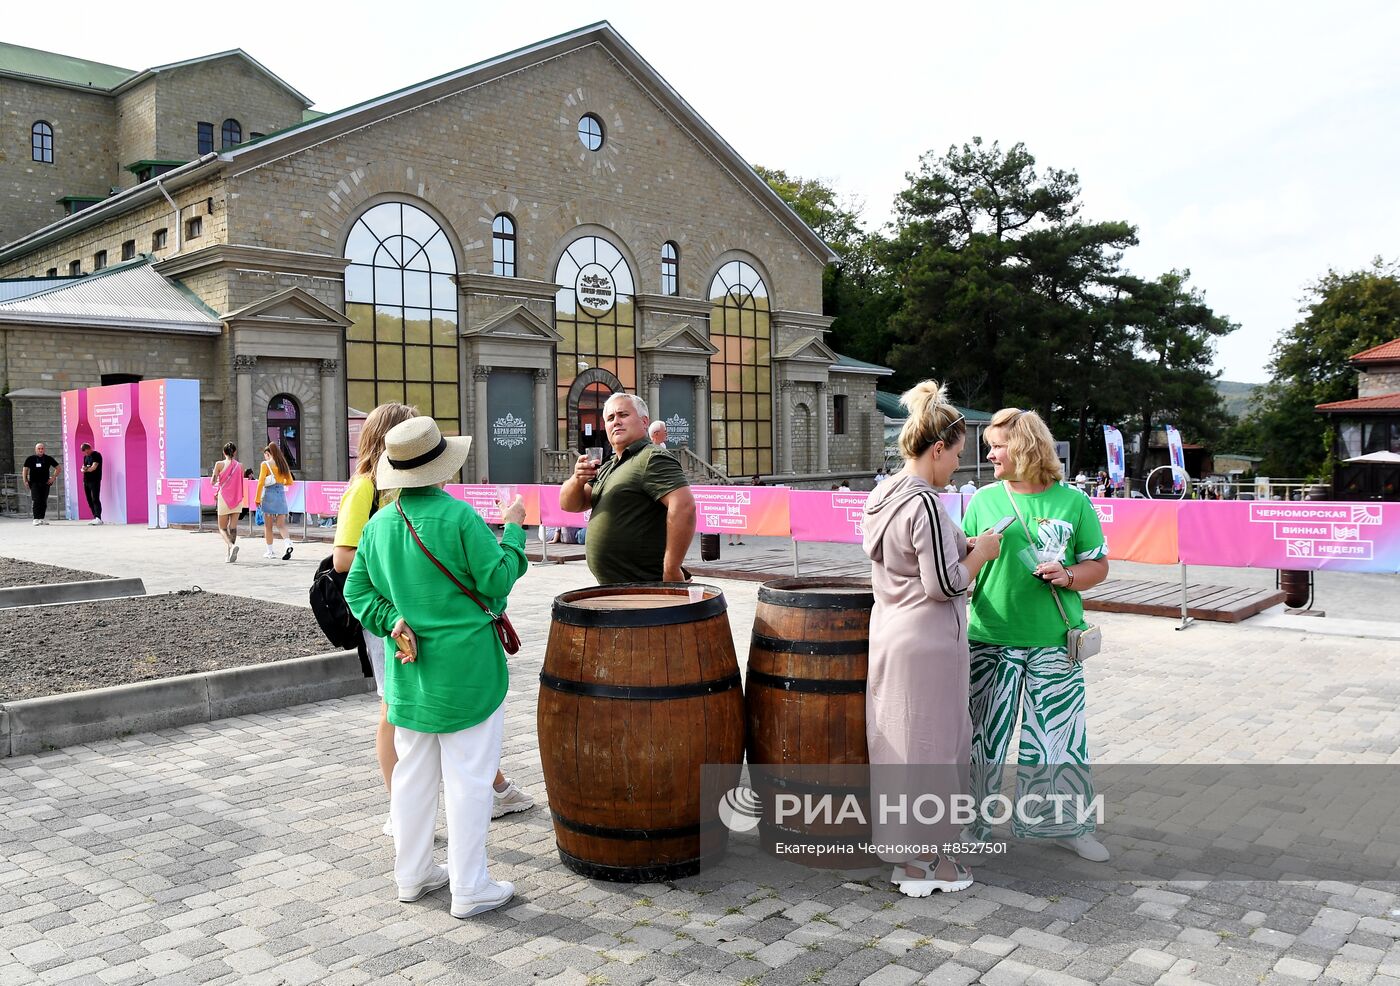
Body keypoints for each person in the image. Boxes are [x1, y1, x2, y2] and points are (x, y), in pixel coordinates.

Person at [344, 416, 528, 919]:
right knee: (469, 777)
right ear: (442, 466)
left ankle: (413, 875)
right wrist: (514, 529)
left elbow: (355, 590)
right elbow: (495, 581)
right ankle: (470, 887)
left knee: (412, 776)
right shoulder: (460, 517)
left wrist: (392, 619)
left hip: (409, 671)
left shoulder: (379, 525)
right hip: (467, 669)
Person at [862, 381, 1003, 897]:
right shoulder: (925, 502)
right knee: (936, 750)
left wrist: (957, 541)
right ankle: (928, 864)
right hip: (929, 643)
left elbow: (901, 559)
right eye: (957, 455)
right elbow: (943, 584)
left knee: (898, 747)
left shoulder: (882, 494)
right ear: (937, 448)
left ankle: (907, 859)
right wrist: (981, 550)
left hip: (891, 636)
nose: (958, 468)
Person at [961, 408, 1111, 862]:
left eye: (997, 445)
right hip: (989, 637)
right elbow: (962, 564)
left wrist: (1068, 575)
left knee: (1058, 737)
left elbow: (1099, 565)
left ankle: (1065, 827)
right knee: (981, 737)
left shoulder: (1074, 502)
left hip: (1054, 641)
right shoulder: (983, 500)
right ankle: (972, 826)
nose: (989, 454)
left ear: (1024, 447)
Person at [559, 393, 695, 584]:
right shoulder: (608, 465)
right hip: (617, 589)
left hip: (647, 588)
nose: (616, 422)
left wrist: (671, 569)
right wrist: (576, 479)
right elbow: (570, 505)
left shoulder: (652, 457)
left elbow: (684, 507)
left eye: (623, 415)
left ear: (644, 421)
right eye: (610, 418)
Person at [254, 443, 295, 560]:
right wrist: (280, 481)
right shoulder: (283, 464)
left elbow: (261, 482)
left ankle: (270, 551)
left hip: (269, 495)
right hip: (281, 494)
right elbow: (290, 482)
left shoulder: (265, 464)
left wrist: (257, 498)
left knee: (268, 526)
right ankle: (288, 543)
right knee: (281, 524)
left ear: (268, 453)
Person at [212, 443, 245, 562]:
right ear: (235, 452)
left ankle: (231, 547)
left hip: (224, 498)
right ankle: (230, 553)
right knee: (233, 527)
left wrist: (215, 475)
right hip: (237, 498)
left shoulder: (219, 464)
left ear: (224, 452)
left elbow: (213, 481)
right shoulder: (240, 466)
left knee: (222, 528)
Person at [22, 443, 59, 526]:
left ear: (44, 449)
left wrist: (53, 477)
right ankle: (36, 518)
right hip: (34, 482)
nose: (40, 450)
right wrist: (25, 481)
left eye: (42, 448)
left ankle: (41, 518)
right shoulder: (30, 459)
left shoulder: (48, 458)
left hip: (46, 483)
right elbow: (25, 470)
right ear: (35, 449)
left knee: (43, 500)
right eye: (39, 448)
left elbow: (58, 468)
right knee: (36, 500)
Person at [80, 442, 103, 525]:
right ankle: (95, 517)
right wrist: (84, 469)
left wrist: (85, 469)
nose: (86, 453)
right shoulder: (86, 457)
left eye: (87, 451)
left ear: (90, 448)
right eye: (85, 452)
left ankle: (98, 517)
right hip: (86, 480)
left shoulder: (96, 455)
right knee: (89, 499)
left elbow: (93, 468)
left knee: (95, 498)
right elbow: (83, 468)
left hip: (95, 480)